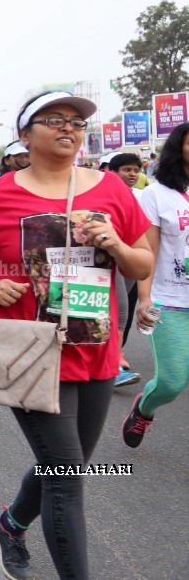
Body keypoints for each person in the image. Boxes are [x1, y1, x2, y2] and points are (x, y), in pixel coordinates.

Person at [0, 91, 152, 580]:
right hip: (27, 347)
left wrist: (117, 244)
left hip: (96, 346)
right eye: (54, 119)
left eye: (76, 122)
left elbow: (143, 263)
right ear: (25, 133)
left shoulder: (112, 191)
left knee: (67, 464)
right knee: (67, 477)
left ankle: (11, 524)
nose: (68, 128)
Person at [121, 121, 189, 448]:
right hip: (170, 301)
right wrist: (144, 299)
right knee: (172, 382)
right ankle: (144, 409)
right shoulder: (156, 194)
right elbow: (148, 251)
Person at [107, 153, 146, 387]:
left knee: (124, 311)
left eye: (135, 170)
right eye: (126, 170)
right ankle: (115, 365)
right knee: (120, 310)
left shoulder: (143, 196)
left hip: (134, 258)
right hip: (110, 261)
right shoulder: (105, 195)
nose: (132, 174)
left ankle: (111, 357)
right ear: (113, 172)